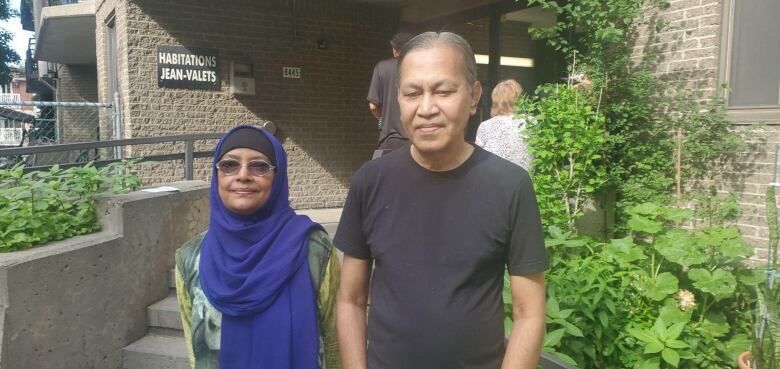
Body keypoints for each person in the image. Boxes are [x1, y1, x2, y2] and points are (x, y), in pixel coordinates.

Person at [335, 32, 548, 369]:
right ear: (399, 99)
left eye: (444, 91)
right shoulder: (370, 181)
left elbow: (530, 314)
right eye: (412, 93)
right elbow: (350, 300)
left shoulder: (510, 186)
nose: (426, 108)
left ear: (474, 96)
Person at [174, 125, 341, 369]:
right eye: (229, 165)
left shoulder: (314, 249)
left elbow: (335, 343)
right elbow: (196, 352)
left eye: (259, 166)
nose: (243, 175)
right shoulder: (191, 258)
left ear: (278, 176)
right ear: (216, 174)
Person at [367, 32, 413, 156]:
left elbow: (373, 106)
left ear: (395, 50)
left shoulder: (381, 68)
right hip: (414, 141)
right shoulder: (418, 68)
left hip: (387, 140)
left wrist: (383, 120)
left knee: (380, 174)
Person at [476, 79, 532, 169]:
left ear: (495, 100)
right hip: (525, 179)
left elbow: (477, 158)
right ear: (519, 98)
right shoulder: (530, 122)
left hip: (493, 179)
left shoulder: (485, 126)